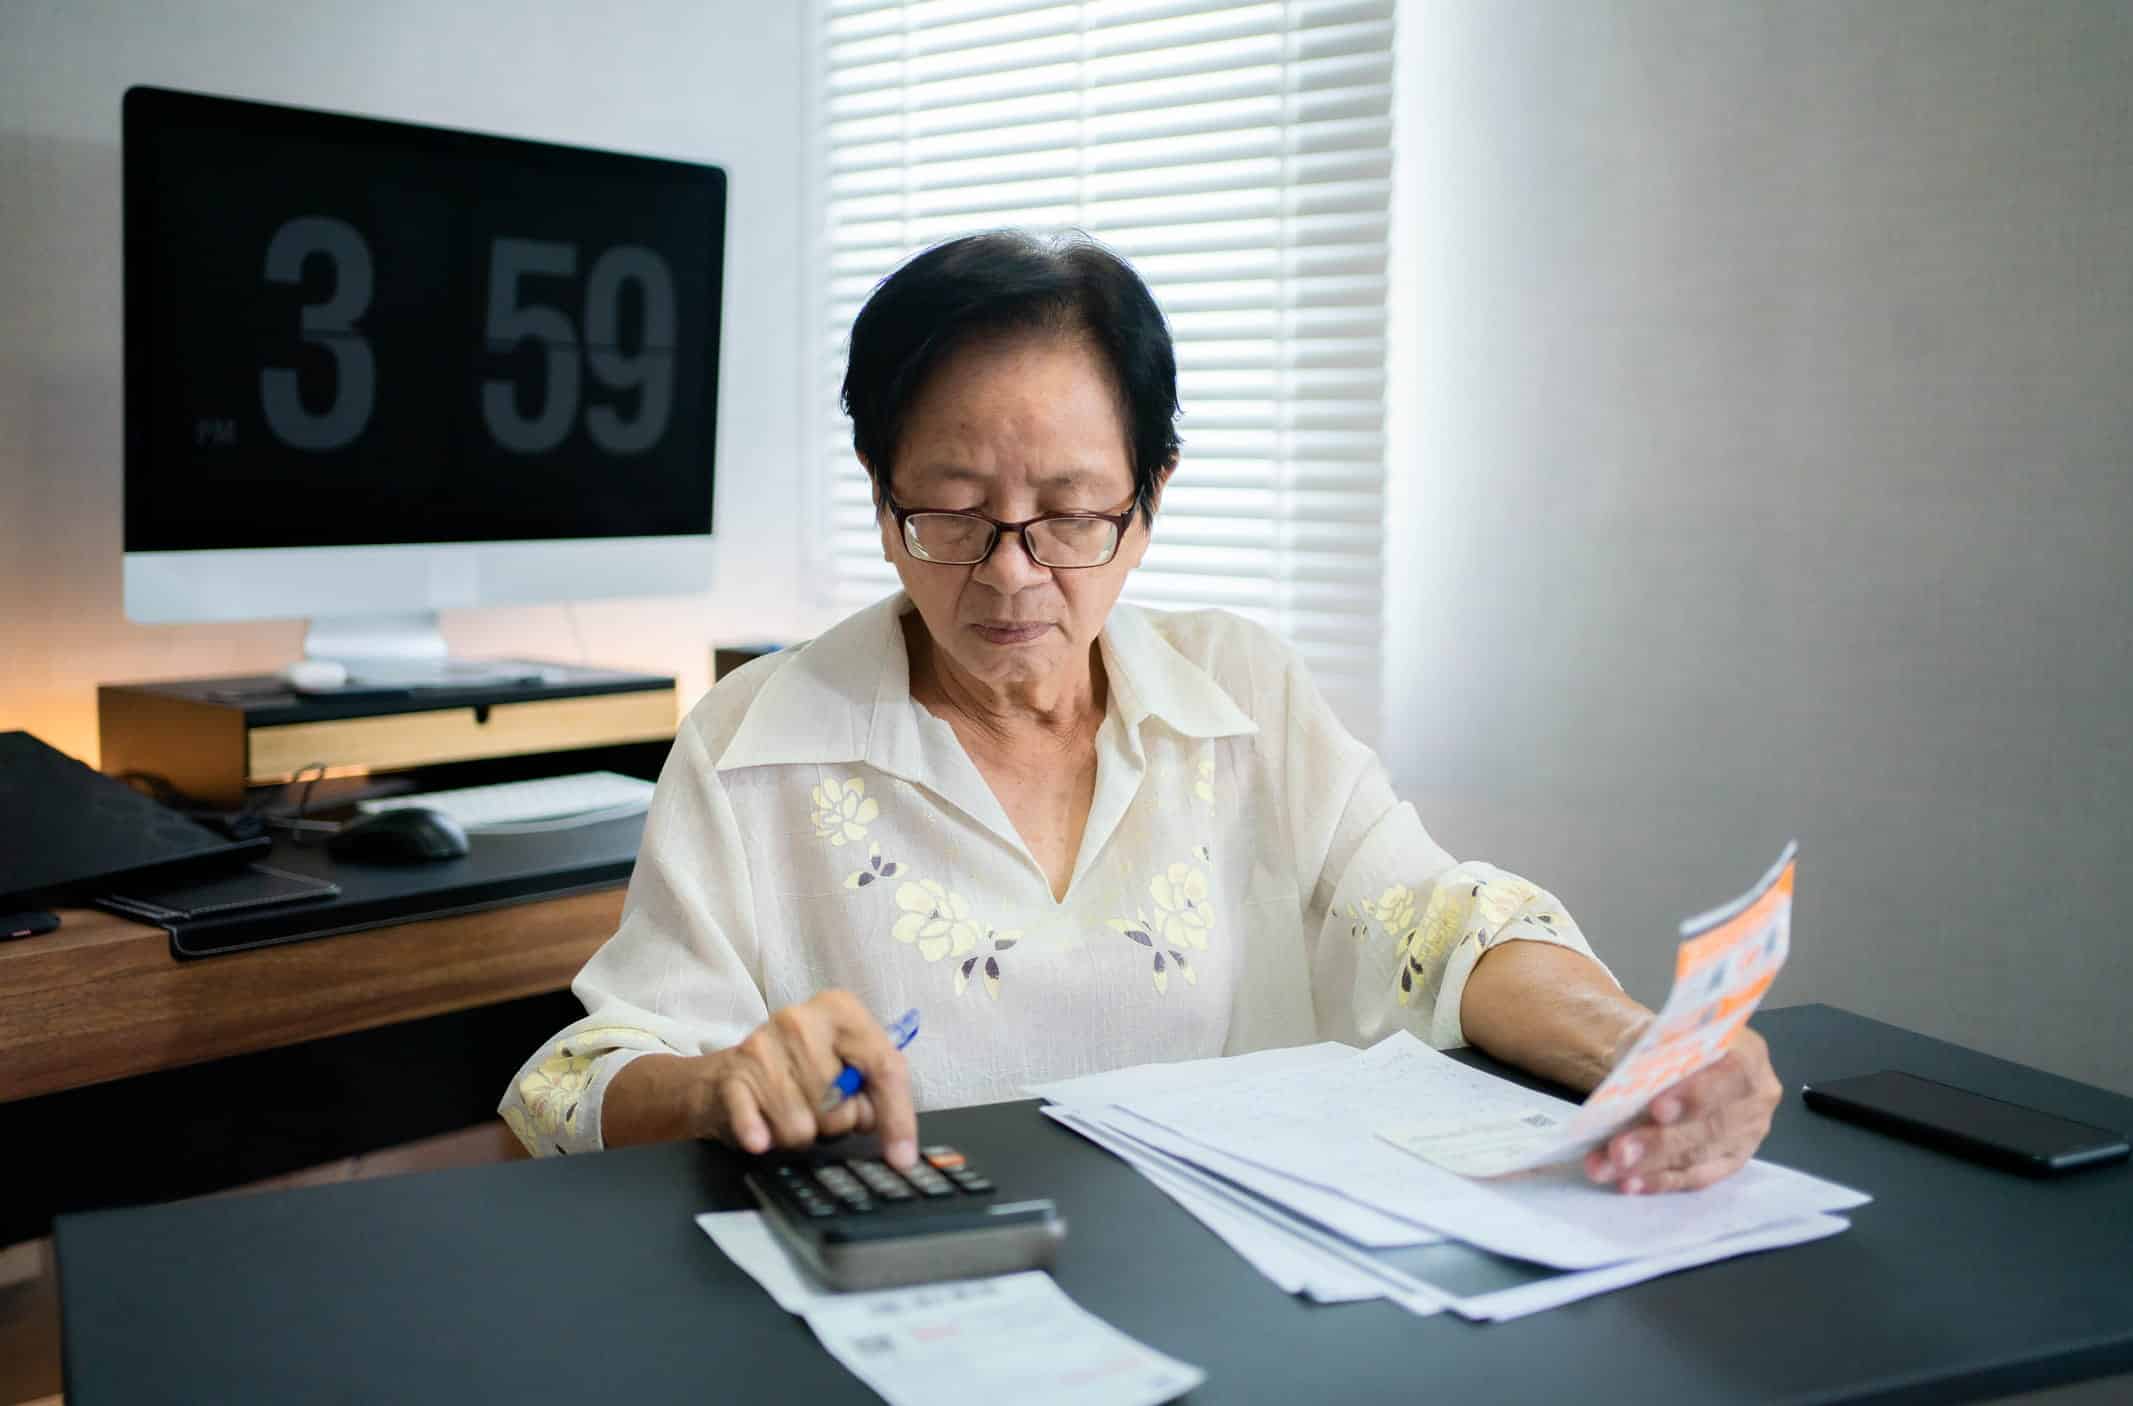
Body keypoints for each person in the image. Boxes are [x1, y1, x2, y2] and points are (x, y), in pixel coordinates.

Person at [500, 231, 1780, 1193]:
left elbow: (1438, 927)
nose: (1010, 572)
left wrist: (1637, 1047)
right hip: (902, 1296)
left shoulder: (1241, 697)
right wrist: (725, 1082)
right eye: (949, 506)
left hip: (1235, 1277)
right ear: (881, 496)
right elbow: (579, 1079)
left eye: (1070, 511)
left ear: (1150, 496)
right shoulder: (752, 739)